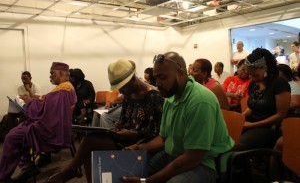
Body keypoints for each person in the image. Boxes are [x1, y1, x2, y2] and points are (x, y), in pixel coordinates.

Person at [47, 59, 164, 183]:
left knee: (90, 141)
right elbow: (124, 121)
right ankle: (71, 172)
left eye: (121, 87)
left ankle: (68, 172)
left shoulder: (154, 97)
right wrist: (119, 127)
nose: (120, 91)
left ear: (132, 79)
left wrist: (131, 134)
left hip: (136, 145)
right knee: (90, 147)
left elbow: (156, 134)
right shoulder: (129, 95)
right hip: (125, 139)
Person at [123, 52, 234, 183]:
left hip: (204, 163)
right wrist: (139, 147)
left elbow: (192, 158)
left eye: (163, 77)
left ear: (181, 73)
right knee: (131, 169)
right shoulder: (171, 97)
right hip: (175, 155)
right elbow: (163, 138)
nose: (157, 83)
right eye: (156, 78)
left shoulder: (200, 100)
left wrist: (148, 181)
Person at [0, 62, 77, 183]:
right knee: (20, 131)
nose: (50, 76)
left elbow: (45, 112)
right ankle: (27, 166)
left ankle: (4, 177)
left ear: (61, 73)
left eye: (52, 73)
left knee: (11, 137)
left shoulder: (62, 90)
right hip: (56, 127)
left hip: (49, 131)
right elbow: (48, 104)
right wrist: (33, 99)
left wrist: (29, 102)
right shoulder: (67, 88)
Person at [241, 48, 290, 150]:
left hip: (270, 127)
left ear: (265, 68)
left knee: (240, 144)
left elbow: (281, 115)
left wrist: (252, 125)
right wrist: (240, 117)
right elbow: (252, 107)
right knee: (225, 136)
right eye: (250, 75)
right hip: (252, 123)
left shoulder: (279, 83)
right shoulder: (254, 83)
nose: (252, 78)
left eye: (255, 75)